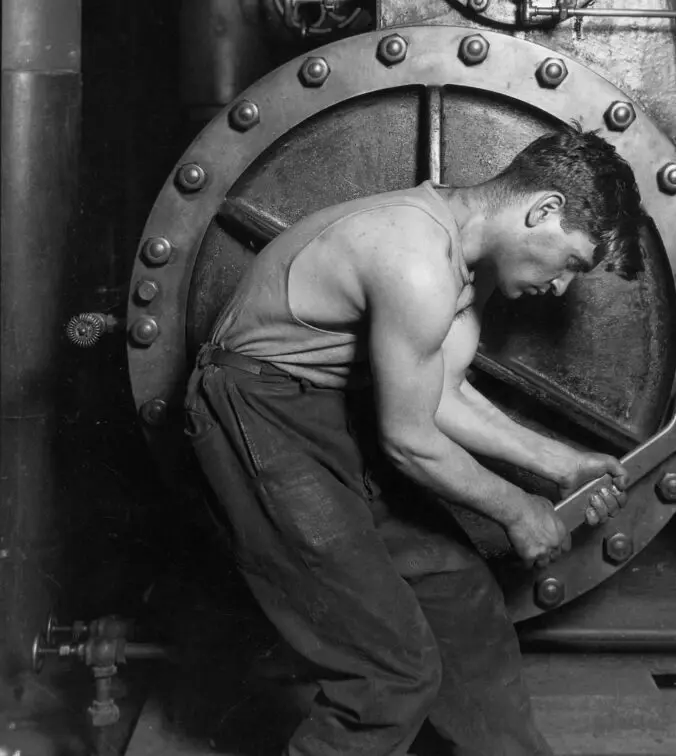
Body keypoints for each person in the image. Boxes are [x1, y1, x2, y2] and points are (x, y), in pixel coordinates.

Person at [185, 126, 646, 756]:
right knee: (390, 671)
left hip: (327, 411)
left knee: (461, 599)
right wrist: (518, 510)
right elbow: (407, 439)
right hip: (257, 414)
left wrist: (562, 464)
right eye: (571, 263)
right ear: (544, 210)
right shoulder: (414, 257)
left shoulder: (466, 263)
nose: (562, 287)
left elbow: (442, 395)